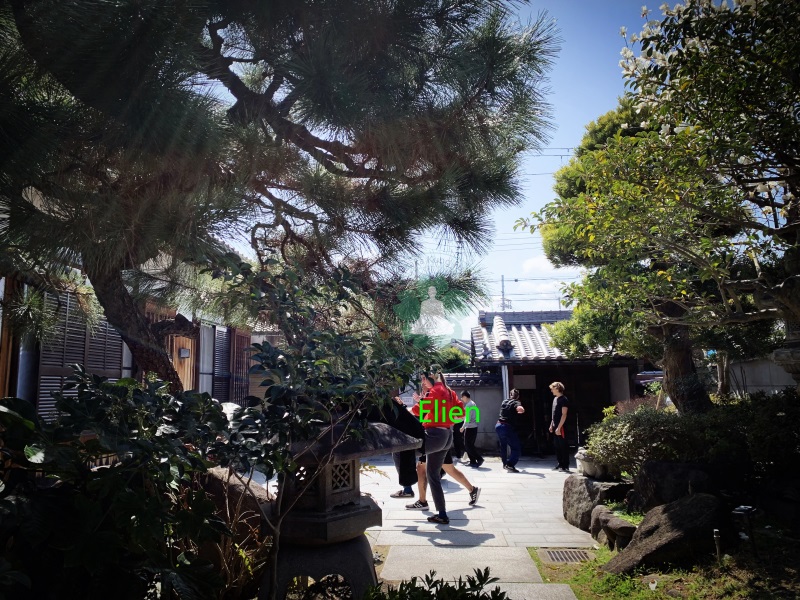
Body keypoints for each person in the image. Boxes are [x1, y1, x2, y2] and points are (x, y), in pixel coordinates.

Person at [406, 372, 465, 524]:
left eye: (424, 379)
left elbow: (418, 411)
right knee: (433, 475)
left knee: (402, 450)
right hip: (447, 434)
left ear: (431, 376)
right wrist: (443, 416)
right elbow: (461, 413)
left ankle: (406, 489)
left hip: (434, 435)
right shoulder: (449, 391)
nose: (423, 383)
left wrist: (404, 408)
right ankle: (442, 514)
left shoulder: (435, 391)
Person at [495, 388, 525, 473]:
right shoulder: (516, 402)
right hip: (507, 427)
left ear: (510, 395)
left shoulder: (504, 401)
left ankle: (504, 464)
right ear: (518, 396)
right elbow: (519, 408)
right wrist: (521, 409)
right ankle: (510, 464)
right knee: (516, 448)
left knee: (503, 446)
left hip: (498, 425)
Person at [549, 382, 571, 472]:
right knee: (557, 445)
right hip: (555, 425)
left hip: (561, 426)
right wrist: (551, 424)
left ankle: (565, 465)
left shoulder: (564, 399)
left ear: (557, 388)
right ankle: (560, 463)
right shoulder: (555, 399)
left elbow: (564, 414)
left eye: (552, 389)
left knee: (563, 445)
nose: (551, 390)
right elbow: (553, 413)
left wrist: (559, 427)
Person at [461, 391, 483, 467]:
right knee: (470, 445)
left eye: (462, 397)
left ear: (465, 396)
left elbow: (467, 418)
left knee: (467, 445)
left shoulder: (468, 406)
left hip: (469, 427)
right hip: (474, 427)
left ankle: (479, 459)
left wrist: (463, 427)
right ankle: (472, 461)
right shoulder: (473, 403)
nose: (462, 399)